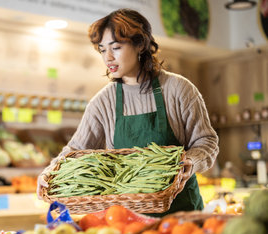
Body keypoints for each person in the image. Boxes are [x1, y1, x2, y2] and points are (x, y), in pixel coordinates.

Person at [37, 9, 219, 216]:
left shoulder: (179, 89)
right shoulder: (103, 101)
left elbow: (207, 142)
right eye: (102, 50)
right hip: (126, 218)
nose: (109, 58)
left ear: (140, 44)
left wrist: (191, 162)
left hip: (181, 215)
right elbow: (75, 151)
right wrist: (49, 172)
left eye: (116, 47)